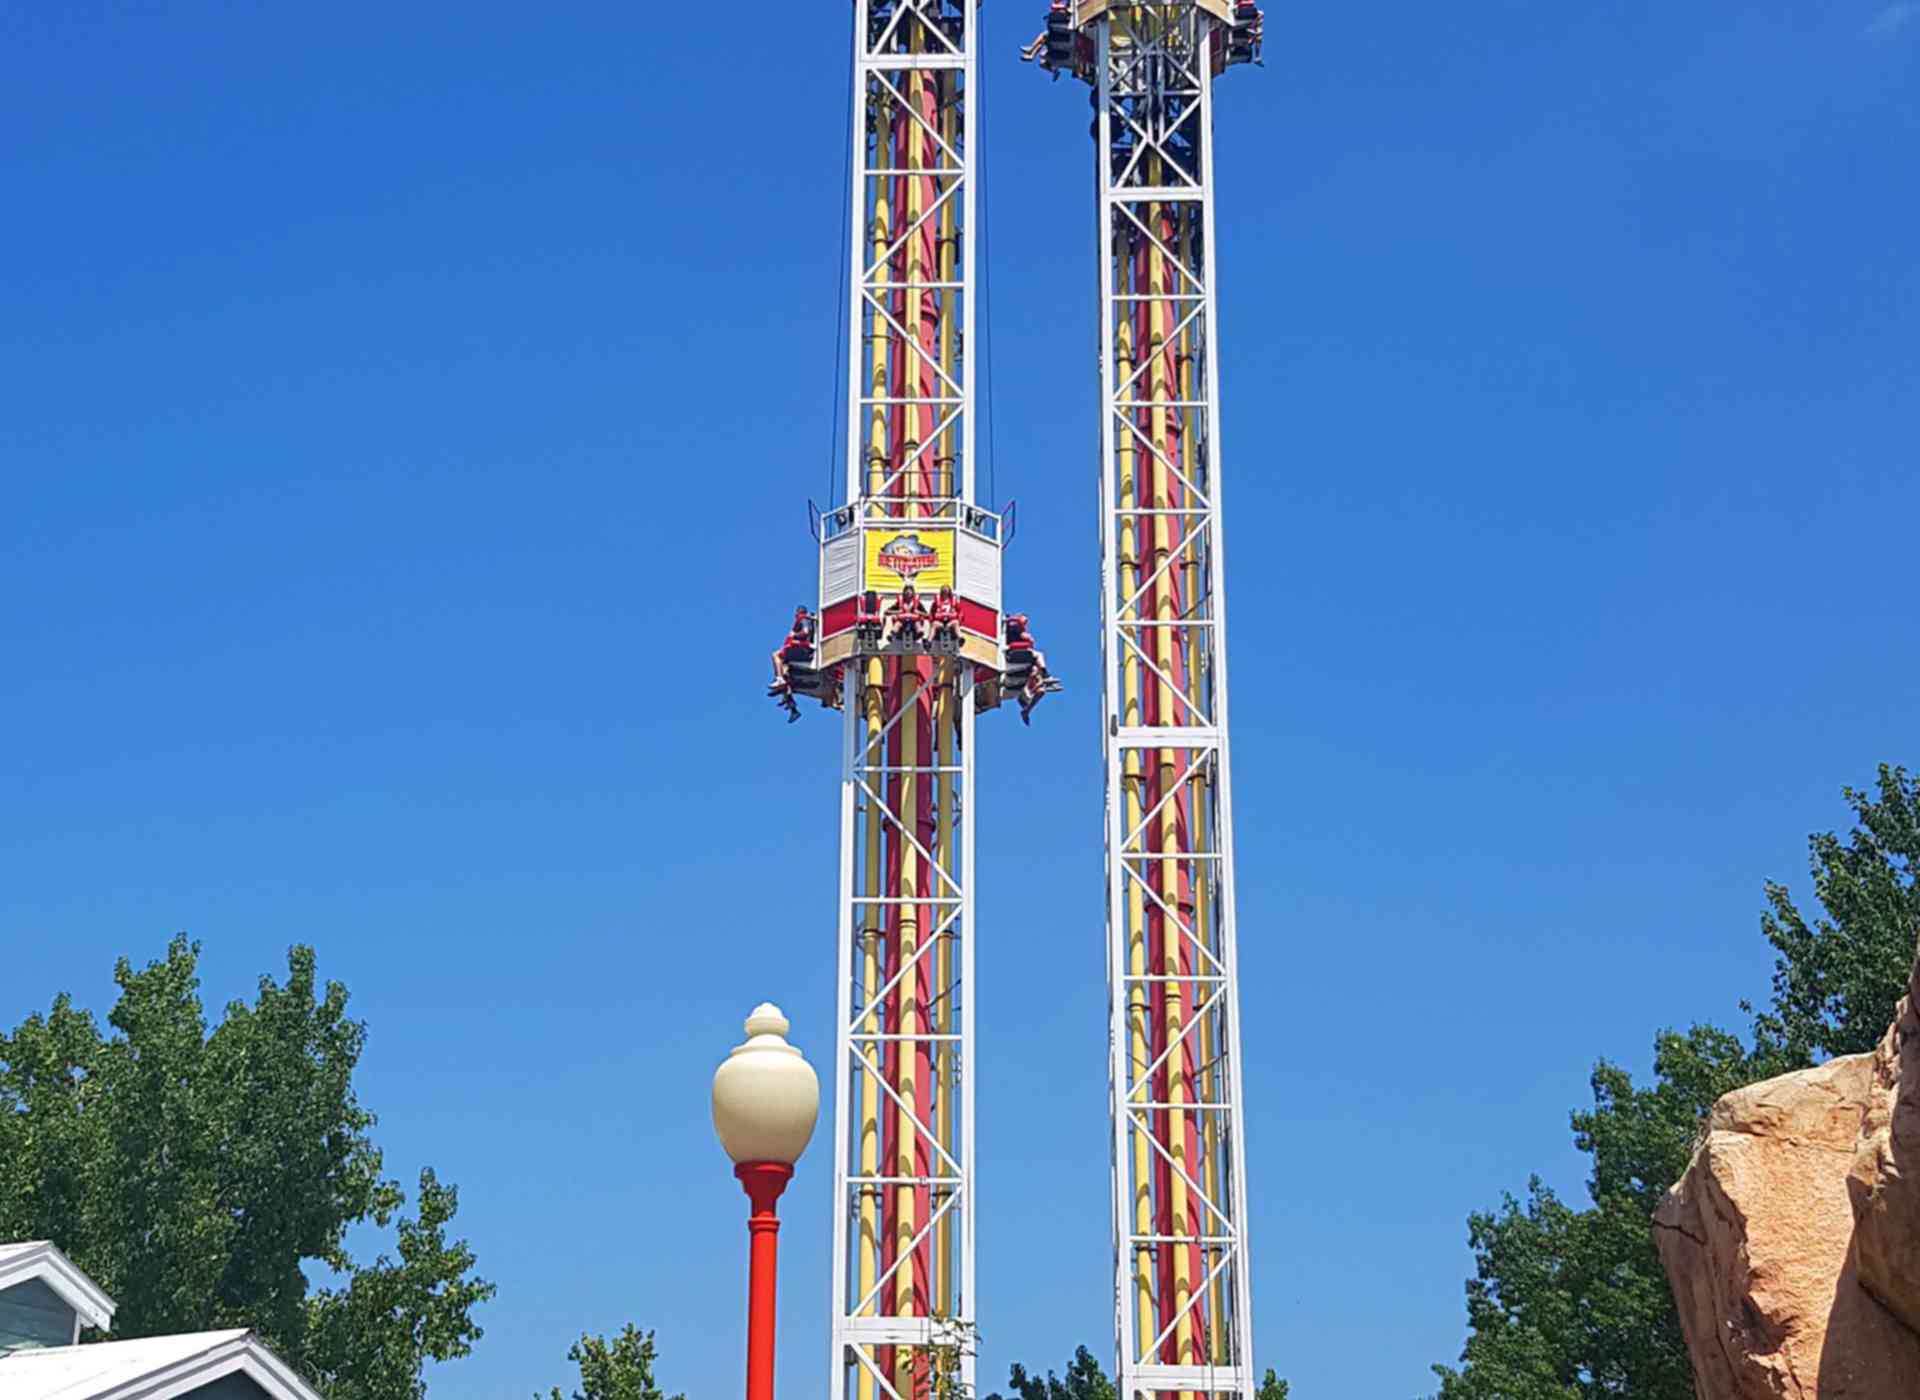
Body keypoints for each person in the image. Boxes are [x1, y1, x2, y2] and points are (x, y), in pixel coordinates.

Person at [768, 606, 816, 693]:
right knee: (784, 663)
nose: (796, 615)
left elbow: (805, 632)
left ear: (798, 613)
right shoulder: (810, 621)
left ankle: (779, 679)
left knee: (776, 655)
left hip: (803, 650)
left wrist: (794, 635)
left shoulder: (803, 620)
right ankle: (785, 684)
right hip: (806, 651)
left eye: (796, 613)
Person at [879, 584, 929, 651]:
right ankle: (892, 634)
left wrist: (918, 612)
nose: (908, 594)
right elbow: (887, 611)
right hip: (902, 624)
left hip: (913, 625)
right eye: (906, 592)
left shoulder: (918, 603)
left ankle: (920, 634)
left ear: (912, 593)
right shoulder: (899, 603)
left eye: (910, 592)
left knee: (917, 623)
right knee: (898, 623)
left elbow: (926, 614)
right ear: (904, 593)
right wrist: (898, 611)